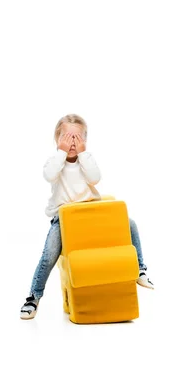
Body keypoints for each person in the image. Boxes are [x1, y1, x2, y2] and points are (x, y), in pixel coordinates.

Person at [20, 114, 153, 320]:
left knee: (130, 223)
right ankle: (33, 298)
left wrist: (83, 154)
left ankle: (141, 269)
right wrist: (61, 152)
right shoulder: (54, 162)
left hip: (92, 215)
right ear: (57, 139)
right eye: (67, 137)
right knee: (49, 255)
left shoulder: (86, 160)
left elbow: (95, 178)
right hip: (64, 219)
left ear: (85, 141)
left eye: (77, 138)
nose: (72, 142)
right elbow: (49, 175)